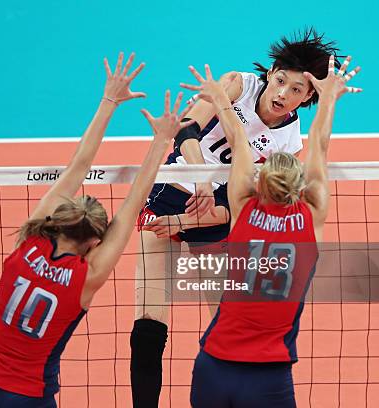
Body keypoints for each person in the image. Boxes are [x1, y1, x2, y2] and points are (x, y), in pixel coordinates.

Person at [0, 51, 195, 408]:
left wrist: (109, 101)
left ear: (57, 221)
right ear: (94, 241)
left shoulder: (31, 240)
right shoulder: (85, 278)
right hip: (28, 395)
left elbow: (78, 166)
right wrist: (162, 142)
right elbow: (135, 200)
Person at [130, 28, 343, 408]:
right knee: (148, 323)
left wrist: (204, 211)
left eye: (297, 90)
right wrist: (201, 180)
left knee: (225, 324)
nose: (283, 94)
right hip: (174, 192)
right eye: (281, 82)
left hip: (217, 217)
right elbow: (186, 130)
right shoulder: (235, 85)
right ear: (271, 72)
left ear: (310, 96)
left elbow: (248, 206)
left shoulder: (289, 142)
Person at [188, 55, 361, 407]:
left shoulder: (243, 209)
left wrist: (219, 97)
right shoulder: (310, 219)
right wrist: (327, 99)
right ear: (300, 187)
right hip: (269, 375)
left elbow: (239, 143)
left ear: (259, 180)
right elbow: (320, 148)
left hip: (213, 366)